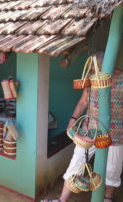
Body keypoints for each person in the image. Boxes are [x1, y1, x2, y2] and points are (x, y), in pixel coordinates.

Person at [41, 52, 123, 202]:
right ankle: (62, 200)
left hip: (116, 133)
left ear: (106, 66)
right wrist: (73, 120)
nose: (93, 73)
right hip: (89, 130)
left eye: (95, 69)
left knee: (113, 169)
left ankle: (108, 198)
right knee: (77, 162)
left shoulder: (122, 79)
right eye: (92, 70)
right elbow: (83, 102)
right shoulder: (91, 79)